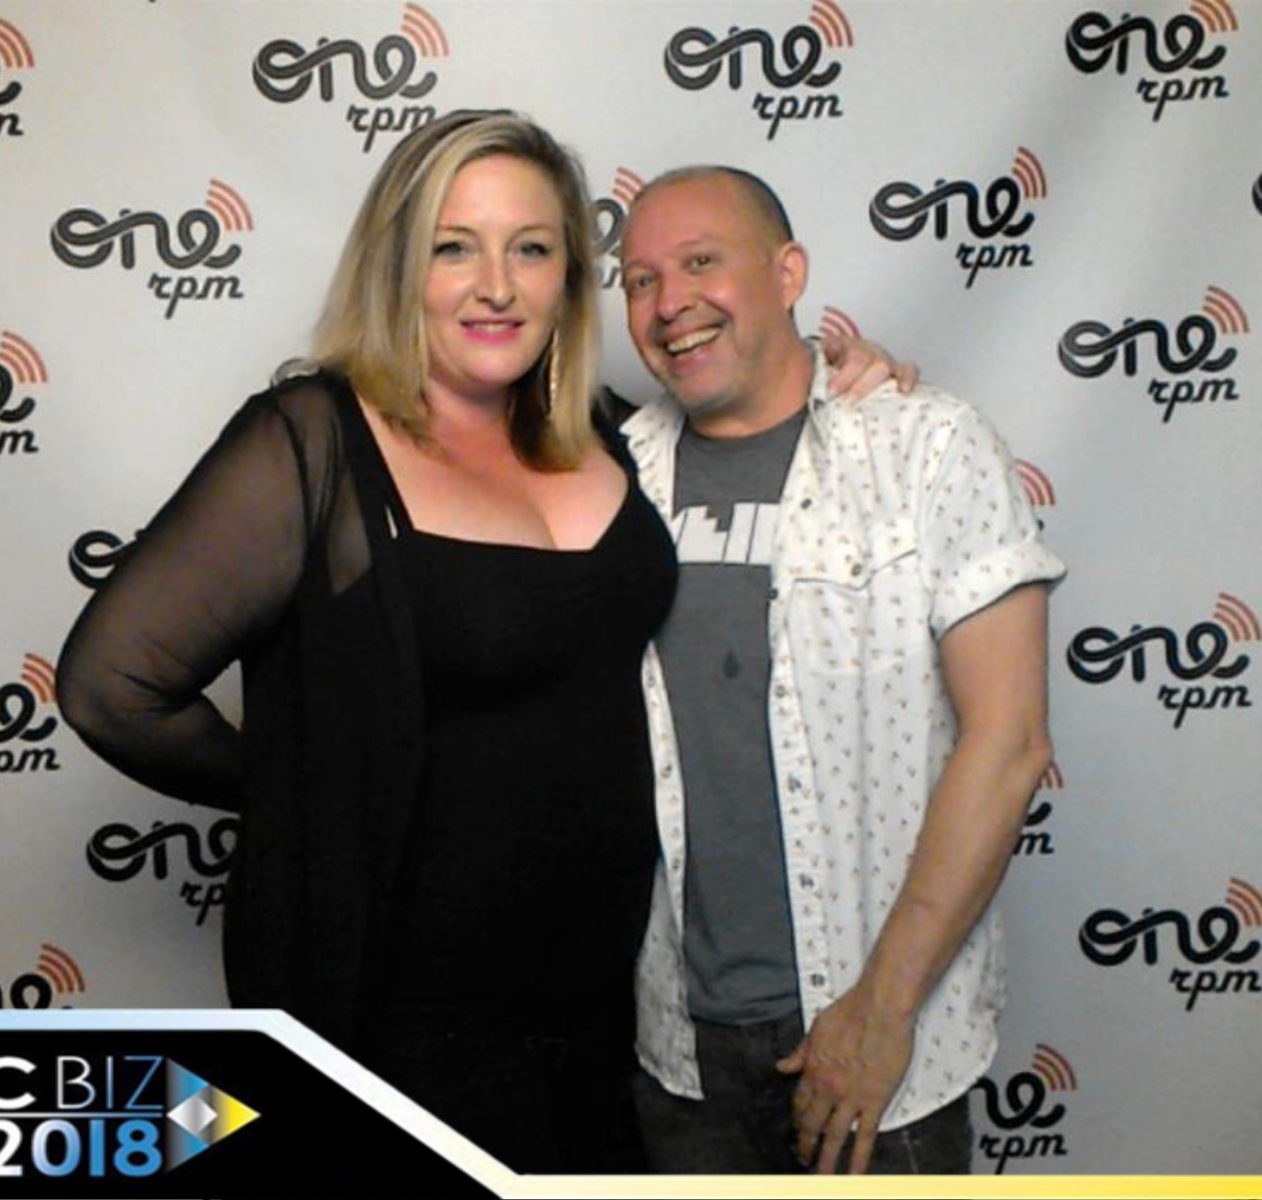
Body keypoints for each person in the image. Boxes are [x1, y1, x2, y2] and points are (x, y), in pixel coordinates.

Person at [57, 114, 898, 1172]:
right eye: (455, 247)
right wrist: (309, 799)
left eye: (531, 249)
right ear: (399, 265)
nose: (497, 286)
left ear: (568, 277)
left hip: (610, 1003)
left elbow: (751, 419)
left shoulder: (605, 428)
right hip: (400, 1011)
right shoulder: (319, 439)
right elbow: (111, 686)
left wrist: (850, 386)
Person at [616, 166, 1065, 1175]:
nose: (670, 302)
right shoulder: (612, 473)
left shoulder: (926, 447)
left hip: (873, 1044)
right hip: (678, 1050)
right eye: (640, 281)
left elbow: (1008, 744)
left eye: (701, 262)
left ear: (788, 274)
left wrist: (880, 1012)